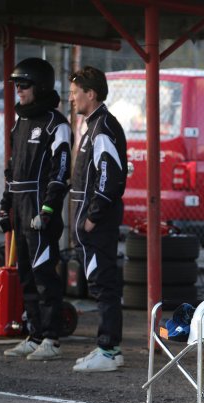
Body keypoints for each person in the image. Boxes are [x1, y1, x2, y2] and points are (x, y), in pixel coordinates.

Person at [0, 58, 72, 361]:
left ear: (40, 87)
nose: (19, 90)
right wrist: (5, 207)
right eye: (16, 85)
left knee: (44, 275)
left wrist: (48, 210)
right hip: (20, 208)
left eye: (24, 85)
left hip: (40, 212)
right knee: (25, 275)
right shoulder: (19, 123)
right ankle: (34, 334)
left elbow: (62, 170)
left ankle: (52, 340)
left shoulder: (57, 125)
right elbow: (12, 171)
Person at [68, 66, 127, 373]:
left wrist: (93, 216)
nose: (71, 98)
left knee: (104, 284)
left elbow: (110, 174)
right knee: (102, 282)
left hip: (97, 222)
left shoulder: (103, 127)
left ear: (91, 94)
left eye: (75, 93)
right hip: (89, 220)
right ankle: (110, 349)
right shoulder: (93, 125)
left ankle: (107, 349)